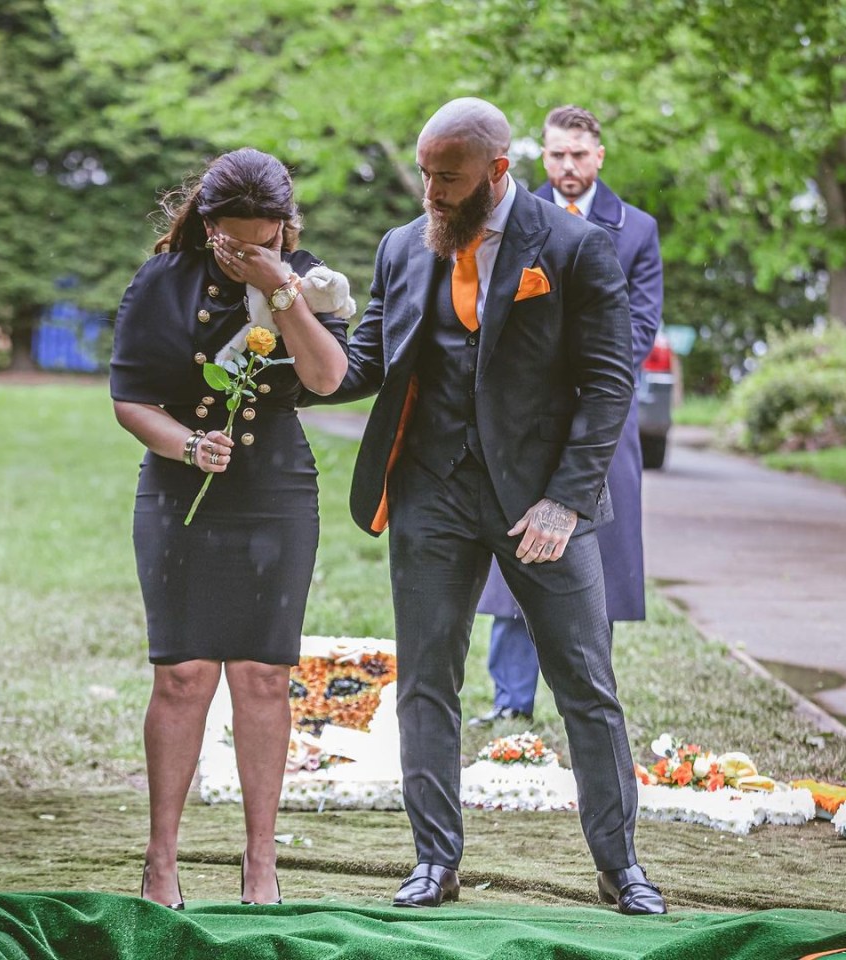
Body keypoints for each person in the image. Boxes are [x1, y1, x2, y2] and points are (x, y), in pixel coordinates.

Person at [310, 98, 666, 914]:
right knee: (427, 679)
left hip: (542, 504)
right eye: (427, 173)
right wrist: (285, 344)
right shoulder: (403, 246)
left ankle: (621, 867)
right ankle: (435, 862)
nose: (432, 191)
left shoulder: (573, 248)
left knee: (585, 682)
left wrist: (565, 503)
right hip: (430, 494)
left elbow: (612, 382)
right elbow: (365, 361)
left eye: (448, 177)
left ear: (498, 171)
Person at [110, 148, 349, 908]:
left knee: (264, 675)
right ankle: (160, 861)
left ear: (287, 226)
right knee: (181, 675)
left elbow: (325, 378)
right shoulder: (162, 282)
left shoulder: (305, 278)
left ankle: (260, 864)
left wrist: (282, 292)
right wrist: (185, 442)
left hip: (276, 490)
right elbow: (131, 396)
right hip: (180, 487)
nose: (252, 252)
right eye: (236, 243)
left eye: (267, 240)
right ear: (209, 226)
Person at [471, 104, 663, 728]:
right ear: (544, 157)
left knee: (594, 558)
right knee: (515, 551)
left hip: (601, 423)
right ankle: (510, 702)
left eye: (579, 154)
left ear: (599, 156)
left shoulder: (635, 229)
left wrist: (587, 383)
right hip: (523, 419)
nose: (569, 165)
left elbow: (638, 325)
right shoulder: (516, 223)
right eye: (557, 154)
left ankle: (587, 699)